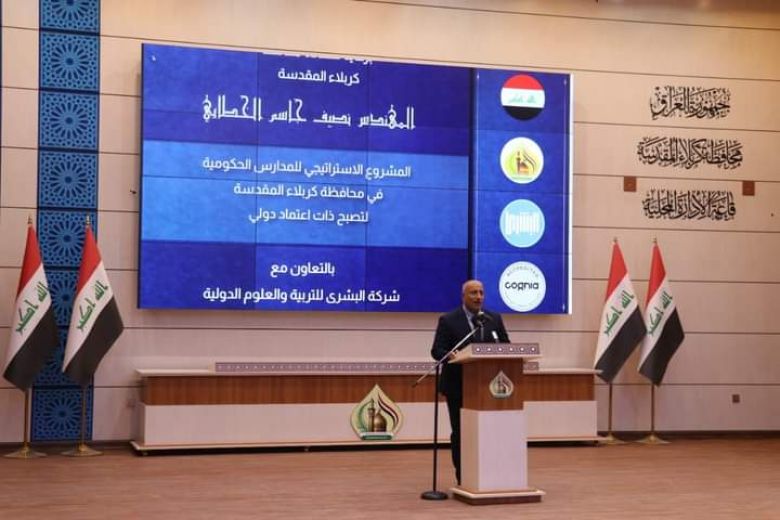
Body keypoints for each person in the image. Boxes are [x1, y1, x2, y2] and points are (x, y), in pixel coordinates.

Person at [430, 279, 510, 485]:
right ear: (463, 296)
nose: (478, 297)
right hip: (458, 386)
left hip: (489, 387)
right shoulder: (448, 320)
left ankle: (490, 474)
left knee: (488, 432)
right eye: (474, 293)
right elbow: (437, 350)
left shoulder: (493, 318)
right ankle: (464, 477)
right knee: (462, 432)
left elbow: (506, 346)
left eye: (481, 292)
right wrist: (450, 355)